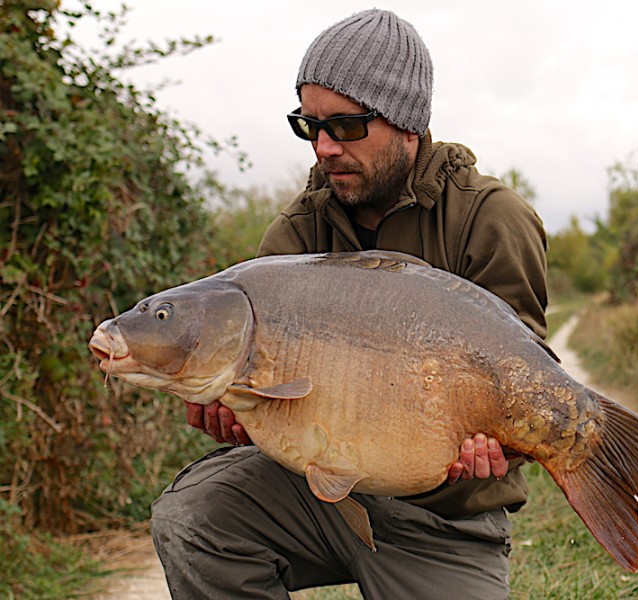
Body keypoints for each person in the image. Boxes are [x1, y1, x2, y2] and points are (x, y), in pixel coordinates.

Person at [151, 9, 548, 599]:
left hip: (445, 520)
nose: (325, 147)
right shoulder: (295, 234)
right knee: (193, 518)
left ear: (408, 123)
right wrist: (235, 416)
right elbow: (269, 405)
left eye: (348, 125)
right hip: (315, 500)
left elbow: (528, 378)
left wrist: (501, 446)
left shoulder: (490, 218)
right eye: (309, 126)